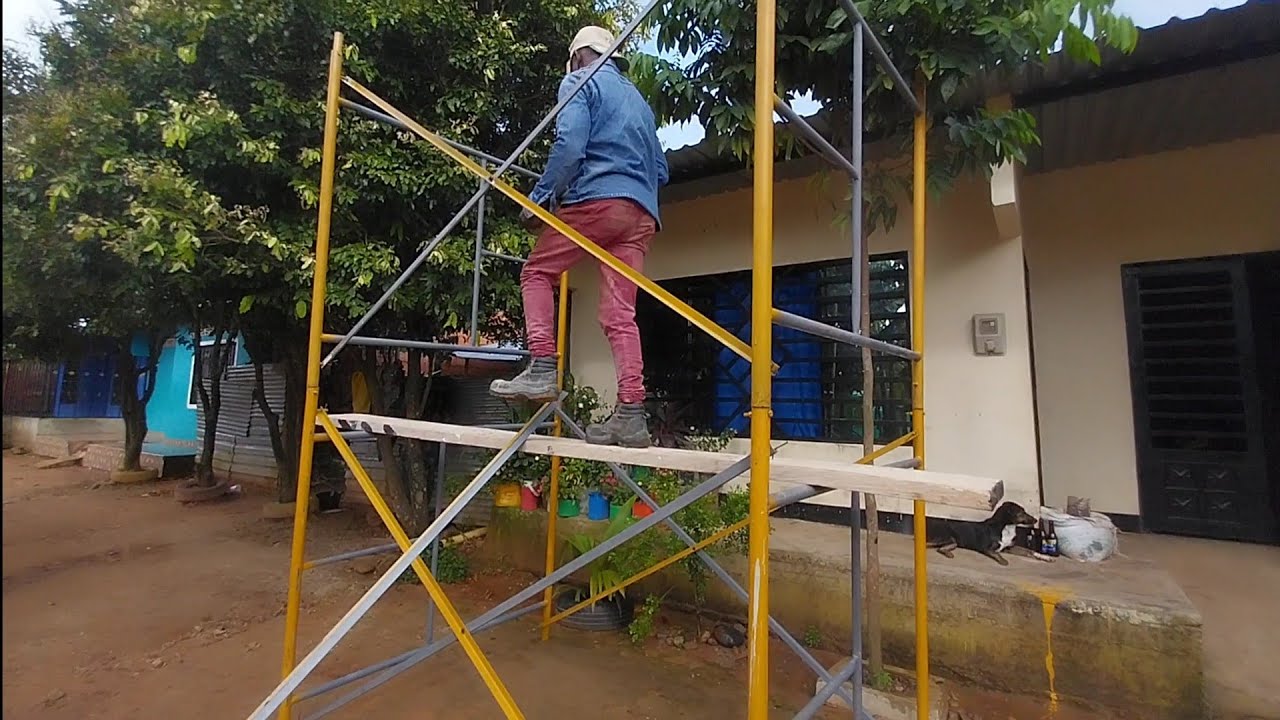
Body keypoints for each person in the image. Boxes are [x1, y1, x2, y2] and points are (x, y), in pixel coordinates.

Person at [490, 26, 668, 449]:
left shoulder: (579, 79)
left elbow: (569, 146)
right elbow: (661, 170)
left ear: (576, 57)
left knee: (535, 272)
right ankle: (631, 414)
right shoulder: (640, 104)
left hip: (599, 203)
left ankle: (541, 367)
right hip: (640, 213)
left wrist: (541, 198)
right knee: (619, 315)